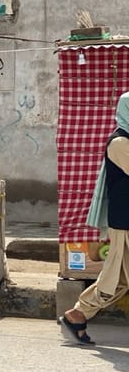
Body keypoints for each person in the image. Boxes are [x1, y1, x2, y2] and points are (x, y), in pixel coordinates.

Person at [60, 91, 129, 346]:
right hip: (125, 220)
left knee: (119, 280)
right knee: (116, 278)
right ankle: (78, 313)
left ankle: (78, 314)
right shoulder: (119, 142)